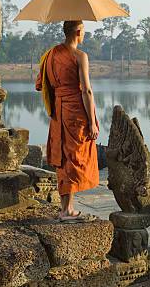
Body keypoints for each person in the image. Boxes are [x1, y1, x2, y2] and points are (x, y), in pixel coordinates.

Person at [36, 20, 99, 222]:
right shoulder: (80, 56)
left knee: (63, 156)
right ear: (78, 32)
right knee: (74, 158)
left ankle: (66, 208)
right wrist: (92, 122)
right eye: (84, 31)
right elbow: (86, 90)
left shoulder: (51, 55)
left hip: (59, 111)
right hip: (76, 112)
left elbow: (41, 84)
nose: (84, 35)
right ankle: (67, 210)